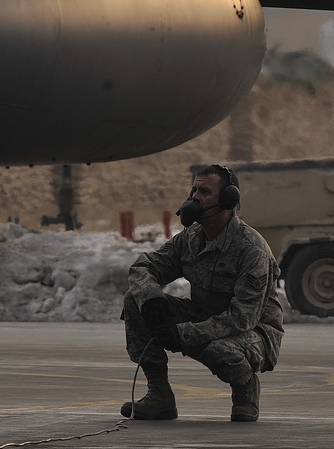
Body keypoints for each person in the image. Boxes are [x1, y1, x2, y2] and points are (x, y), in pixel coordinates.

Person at [121, 164, 284, 422]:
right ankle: (159, 395)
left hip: (252, 333)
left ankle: (245, 390)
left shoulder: (250, 248)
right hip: (206, 316)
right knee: (135, 300)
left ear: (228, 200)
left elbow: (243, 317)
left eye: (205, 191)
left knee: (221, 350)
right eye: (194, 190)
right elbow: (144, 267)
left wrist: (181, 334)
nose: (195, 197)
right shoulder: (190, 238)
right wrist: (151, 297)